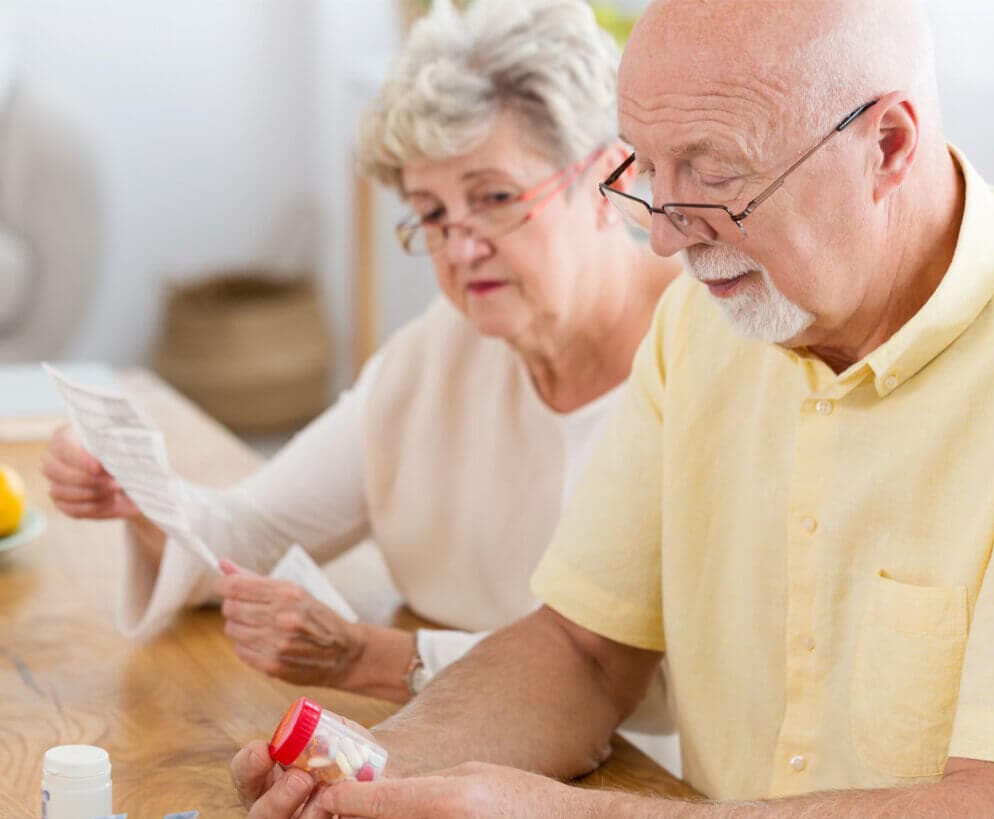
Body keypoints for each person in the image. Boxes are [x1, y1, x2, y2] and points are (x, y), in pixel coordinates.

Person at [230, 0, 994, 819]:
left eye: (715, 175)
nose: (664, 242)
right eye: (645, 169)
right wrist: (379, 779)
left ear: (886, 143)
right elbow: (584, 649)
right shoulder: (702, 322)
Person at [40, 0, 680, 758]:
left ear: (609, 178)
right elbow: (252, 536)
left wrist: (371, 657)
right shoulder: (437, 357)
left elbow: (646, 682)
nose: (461, 247)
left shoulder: (702, 356)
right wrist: (139, 492)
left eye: (494, 198)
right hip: (458, 749)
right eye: (431, 214)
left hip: (643, 789)